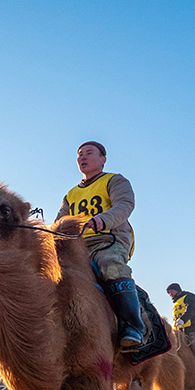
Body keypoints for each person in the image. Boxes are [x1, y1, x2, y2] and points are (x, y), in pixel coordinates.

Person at [56, 141, 144, 349]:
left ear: (103, 159)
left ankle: (132, 326)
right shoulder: (70, 194)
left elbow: (125, 204)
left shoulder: (115, 180)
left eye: (89, 153)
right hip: (78, 246)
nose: (82, 158)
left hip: (109, 240)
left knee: (110, 265)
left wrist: (102, 220)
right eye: (79, 155)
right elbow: (59, 223)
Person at [166, 283, 195, 381]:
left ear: (177, 290)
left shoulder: (189, 297)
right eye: (169, 293)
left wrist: (183, 319)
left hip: (192, 329)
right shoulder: (175, 304)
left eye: (171, 292)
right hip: (179, 331)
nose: (170, 294)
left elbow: (192, 309)